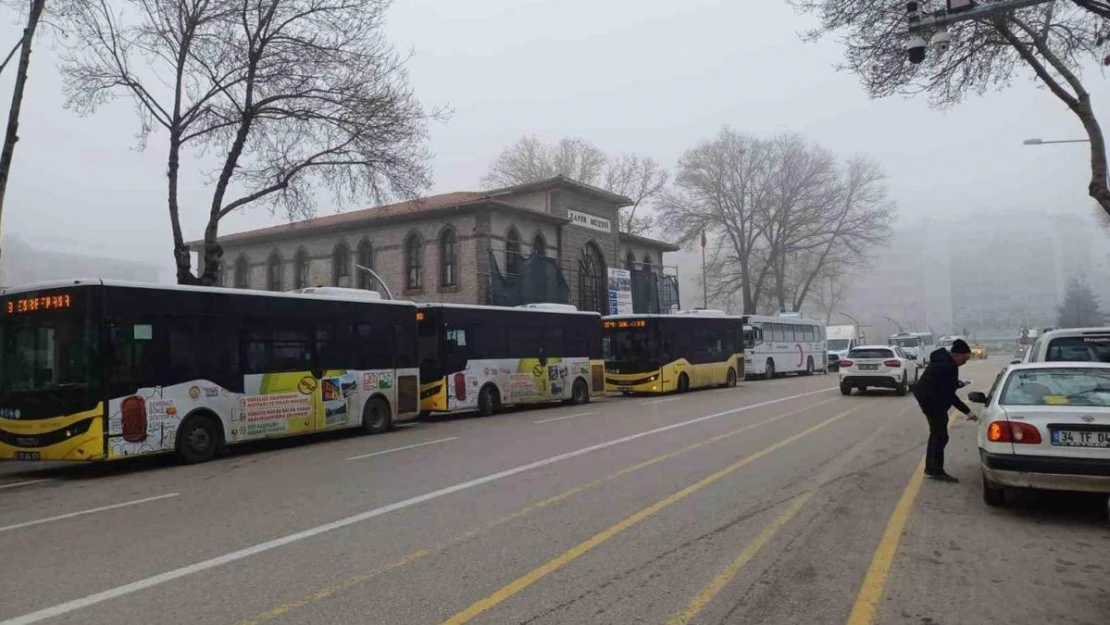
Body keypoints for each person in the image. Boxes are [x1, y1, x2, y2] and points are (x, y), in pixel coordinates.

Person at [913, 338, 976, 482]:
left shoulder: (942, 362)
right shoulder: (948, 367)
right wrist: (968, 411)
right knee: (940, 436)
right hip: (933, 403)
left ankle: (931, 468)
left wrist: (956, 384)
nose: (964, 362)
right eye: (965, 359)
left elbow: (945, 386)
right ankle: (936, 471)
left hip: (928, 400)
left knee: (936, 434)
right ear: (957, 355)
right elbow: (950, 395)